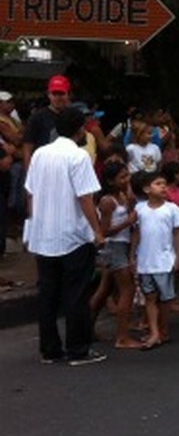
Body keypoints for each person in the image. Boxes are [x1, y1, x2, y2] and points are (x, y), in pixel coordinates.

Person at [24, 106, 106, 366]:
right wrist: (97, 231)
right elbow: (85, 197)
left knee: (48, 294)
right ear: (80, 129)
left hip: (44, 234)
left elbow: (31, 192)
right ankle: (78, 348)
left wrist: (33, 222)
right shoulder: (79, 157)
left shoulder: (40, 154)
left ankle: (49, 349)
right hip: (72, 235)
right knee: (76, 293)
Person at [129, 171, 179, 350]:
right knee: (150, 297)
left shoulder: (172, 209)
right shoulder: (140, 209)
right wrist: (132, 255)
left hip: (164, 260)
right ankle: (155, 331)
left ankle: (163, 329)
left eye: (164, 184)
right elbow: (136, 233)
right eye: (158, 184)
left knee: (165, 298)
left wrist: (178, 257)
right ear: (146, 189)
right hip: (145, 261)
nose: (163, 187)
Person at [89, 162, 140, 349]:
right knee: (127, 289)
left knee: (104, 291)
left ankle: (87, 328)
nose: (126, 180)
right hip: (114, 247)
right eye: (122, 177)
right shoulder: (107, 201)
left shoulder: (123, 196)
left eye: (127, 176)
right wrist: (127, 222)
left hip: (122, 246)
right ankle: (122, 336)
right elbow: (104, 231)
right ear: (110, 181)